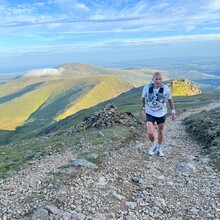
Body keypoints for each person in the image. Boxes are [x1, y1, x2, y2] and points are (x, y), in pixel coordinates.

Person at [141, 72, 176, 157]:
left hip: (161, 113)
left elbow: (170, 100)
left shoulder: (166, 89)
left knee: (160, 131)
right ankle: (154, 145)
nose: (158, 81)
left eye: (160, 79)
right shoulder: (146, 88)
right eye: (156, 79)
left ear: (162, 79)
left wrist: (173, 112)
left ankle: (159, 148)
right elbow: (143, 99)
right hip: (150, 113)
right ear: (152, 80)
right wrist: (143, 109)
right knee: (150, 132)